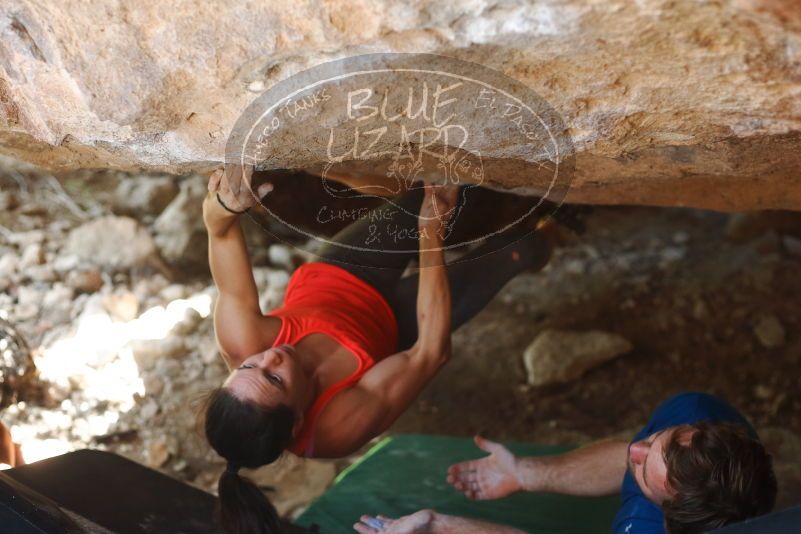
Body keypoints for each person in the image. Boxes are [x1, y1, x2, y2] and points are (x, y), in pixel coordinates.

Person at [200, 166, 558, 534]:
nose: (269, 357)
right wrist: (429, 233)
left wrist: (223, 206)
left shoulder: (243, 342)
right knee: (521, 249)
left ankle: (494, 199)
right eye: (274, 378)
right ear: (297, 422)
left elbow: (220, 231)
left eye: (247, 368)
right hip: (398, 326)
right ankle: (554, 227)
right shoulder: (336, 427)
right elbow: (429, 353)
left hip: (343, 272)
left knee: (436, 190)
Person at [355, 392, 777, 534]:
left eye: (644, 475)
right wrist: (527, 473)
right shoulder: (695, 412)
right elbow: (627, 457)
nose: (634, 449)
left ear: (669, 519)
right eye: (654, 441)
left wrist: (443, 527)